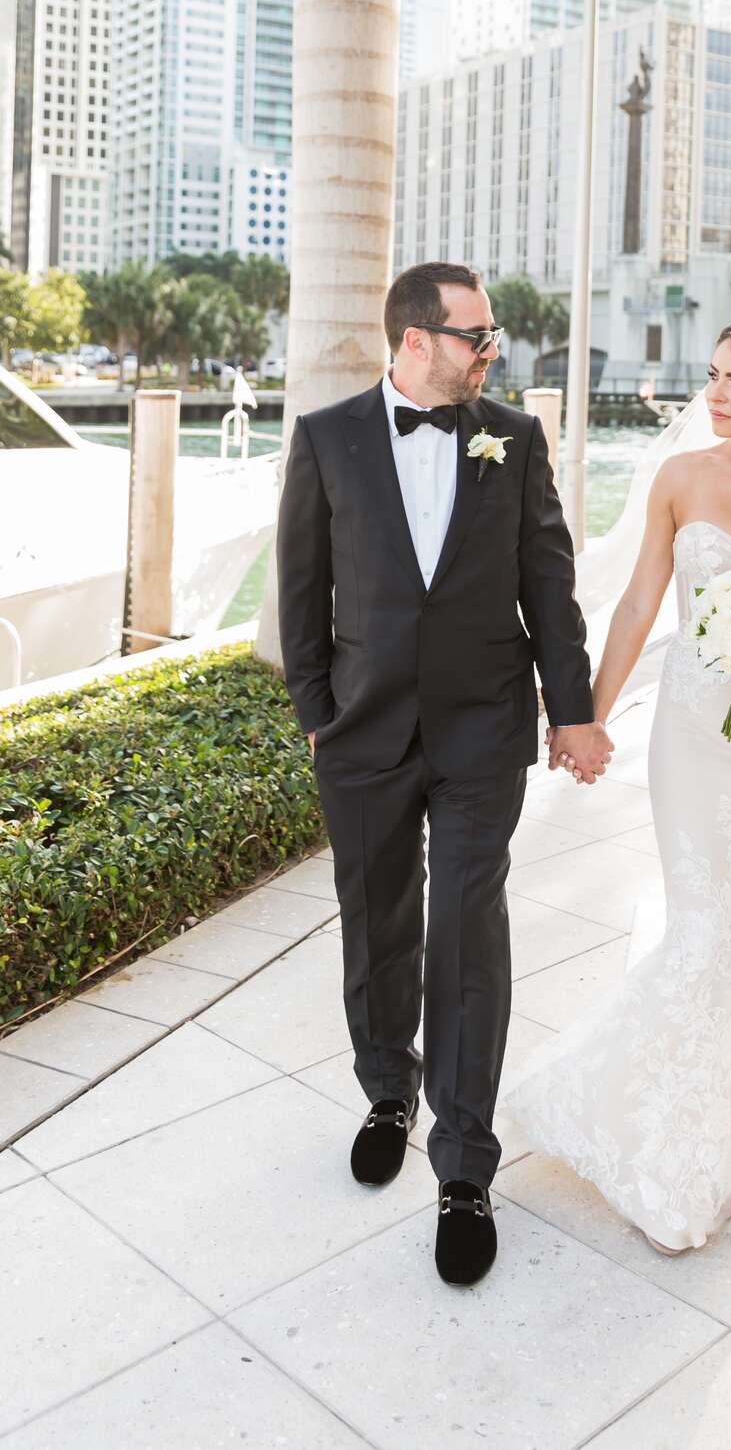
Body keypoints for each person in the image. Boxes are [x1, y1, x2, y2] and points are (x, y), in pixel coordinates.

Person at [506, 299, 731, 1254]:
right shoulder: (677, 478)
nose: (713, 395)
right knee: (708, 925)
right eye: (712, 376)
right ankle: (683, 1145)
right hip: (693, 736)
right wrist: (581, 714)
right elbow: (633, 608)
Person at [276, 262, 610, 1286]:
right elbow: (302, 591)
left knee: (466, 935)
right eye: (475, 336)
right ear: (416, 342)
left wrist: (576, 710)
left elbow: (548, 581)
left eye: (489, 337)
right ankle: (388, 1089)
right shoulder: (326, 438)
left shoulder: (514, 438)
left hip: (480, 733)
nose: (489, 352)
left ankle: (464, 1165)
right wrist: (319, 717)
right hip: (365, 736)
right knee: (377, 925)